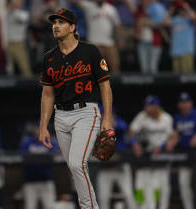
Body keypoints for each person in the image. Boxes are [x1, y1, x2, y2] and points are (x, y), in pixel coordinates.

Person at [39, 8, 113, 209]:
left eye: (61, 22)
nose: (56, 26)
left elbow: (105, 85)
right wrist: (43, 126)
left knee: (76, 164)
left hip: (86, 112)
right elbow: (47, 94)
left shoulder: (90, 51)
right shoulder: (49, 58)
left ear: (72, 27)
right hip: (60, 116)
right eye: (54, 22)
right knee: (75, 169)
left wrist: (107, 118)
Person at [165, 92, 196, 209]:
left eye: (186, 102)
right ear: (179, 105)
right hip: (185, 156)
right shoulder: (177, 118)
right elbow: (175, 135)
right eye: (182, 102)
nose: (184, 105)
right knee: (183, 184)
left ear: (191, 103)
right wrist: (172, 142)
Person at [129, 95, 173, 209]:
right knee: (140, 187)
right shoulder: (142, 116)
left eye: (150, 106)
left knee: (159, 189)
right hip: (145, 157)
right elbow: (132, 131)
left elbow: (172, 137)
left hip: (161, 158)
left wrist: (162, 146)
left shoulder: (166, 118)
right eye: (146, 106)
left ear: (156, 107)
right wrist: (135, 144)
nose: (147, 109)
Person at [96, 106, 136, 209]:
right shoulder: (95, 127)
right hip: (105, 168)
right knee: (103, 198)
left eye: (107, 114)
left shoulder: (119, 124)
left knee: (128, 195)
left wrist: (110, 124)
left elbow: (122, 127)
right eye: (102, 114)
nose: (104, 117)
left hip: (121, 167)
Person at [73, 0, 123, 74]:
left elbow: (117, 25)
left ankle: (117, 85)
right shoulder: (88, 6)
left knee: (115, 66)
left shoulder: (111, 9)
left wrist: (120, 39)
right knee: (95, 68)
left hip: (109, 42)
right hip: (94, 43)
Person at [19, 122, 58, 209]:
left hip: (46, 180)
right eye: (37, 128)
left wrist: (35, 157)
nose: (39, 131)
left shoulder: (50, 141)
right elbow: (23, 156)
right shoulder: (27, 142)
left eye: (41, 128)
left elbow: (54, 155)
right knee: (30, 206)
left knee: (50, 206)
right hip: (30, 181)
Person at [164, 1, 196, 74]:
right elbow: (165, 22)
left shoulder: (189, 20)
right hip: (176, 50)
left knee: (187, 76)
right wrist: (170, 11)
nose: (182, 11)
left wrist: (187, 7)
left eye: (183, 9)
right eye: (180, 9)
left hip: (186, 51)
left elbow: (194, 17)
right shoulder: (175, 19)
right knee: (176, 76)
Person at [6, 0, 33, 78]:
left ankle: (30, 87)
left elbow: (21, 18)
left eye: (17, 2)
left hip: (19, 44)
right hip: (8, 43)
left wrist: (12, 10)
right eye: (13, 2)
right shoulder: (8, 13)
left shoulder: (24, 14)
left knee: (25, 69)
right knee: (9, 68)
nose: (15, 4)